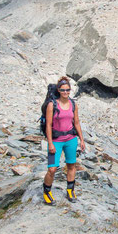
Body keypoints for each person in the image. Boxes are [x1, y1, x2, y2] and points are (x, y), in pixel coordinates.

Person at [43, 76, 85, 205]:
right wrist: (50, 143)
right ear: (58, 90)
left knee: (71, 165)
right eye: (62, 90)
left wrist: (82, 140)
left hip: (71, 139)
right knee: (52, 169)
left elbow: (76, 122)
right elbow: (48, 125)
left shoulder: (73, 104)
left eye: (67, 90)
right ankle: (46, 191)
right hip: (56, 140)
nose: (65, 92)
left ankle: (70, 191)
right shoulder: (52, 105)